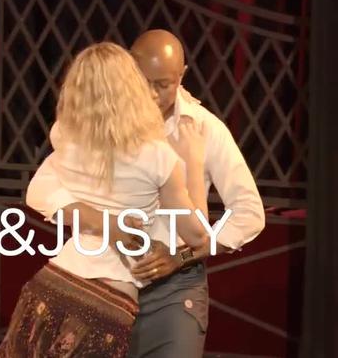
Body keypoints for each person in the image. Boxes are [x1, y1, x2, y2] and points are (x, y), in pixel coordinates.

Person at [26, 30, 266, 357]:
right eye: (143, 81)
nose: (152, 94)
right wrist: (106, 224)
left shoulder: (204, 129)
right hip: (105, 286)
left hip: (174, 291)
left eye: (163, 84)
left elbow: (248, 212)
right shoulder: (99, 122)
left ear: (181, 75)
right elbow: (44, 188)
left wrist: (181, 257)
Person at [0, 42, 210, 357]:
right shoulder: (159, 157)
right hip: (103, 306)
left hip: (52, 283)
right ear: (133, 87)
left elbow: (38, 193)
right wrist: (194, 162)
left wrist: (104, 222)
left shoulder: (65, 137)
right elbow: (198, 236)